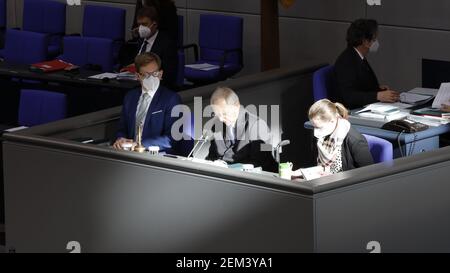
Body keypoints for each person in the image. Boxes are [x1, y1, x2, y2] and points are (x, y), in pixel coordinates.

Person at [114, 52, 181, 153]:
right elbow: (122, 129)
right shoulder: (130, 97)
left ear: (161, 74)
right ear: (138, 76)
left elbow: (171, 139)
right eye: (146, 75)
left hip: (155, 155)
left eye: (154, 74)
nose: (151, 79)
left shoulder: (171, 99)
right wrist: (121, 139)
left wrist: (140, 145)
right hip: (128, 154)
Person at [206, 87, 278, 172]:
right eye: (217, 114)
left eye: (224, 113)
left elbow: (263, 162)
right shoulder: (216, 126)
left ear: (237, 105)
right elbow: (212, 156)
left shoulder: (258, 125)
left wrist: (230, 168)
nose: (221, 119)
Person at [333, 19, 400, 109]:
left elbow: (361, 84)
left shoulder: (357, 56)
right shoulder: (346, 62)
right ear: (365, 42)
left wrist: (378, 89)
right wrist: (378, 95)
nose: (376, 41)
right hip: (350, 111)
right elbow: (349, 96)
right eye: (374, 38)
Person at [305, 99, 374, 175]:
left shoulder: (354, 139)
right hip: (322, 178)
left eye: (320, 128)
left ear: (332, 121)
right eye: (314, 127)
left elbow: (369, 173)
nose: (316, 132)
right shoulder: (321, 135)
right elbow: (314, 162)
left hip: (346, 183)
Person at [121, 6, 178, 89]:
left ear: (154, 24)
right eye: (139, 24)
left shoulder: (167, 44)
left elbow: (168, 75)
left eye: (144, 24)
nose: (141, 28)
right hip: (136, 82)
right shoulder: (141, 41)